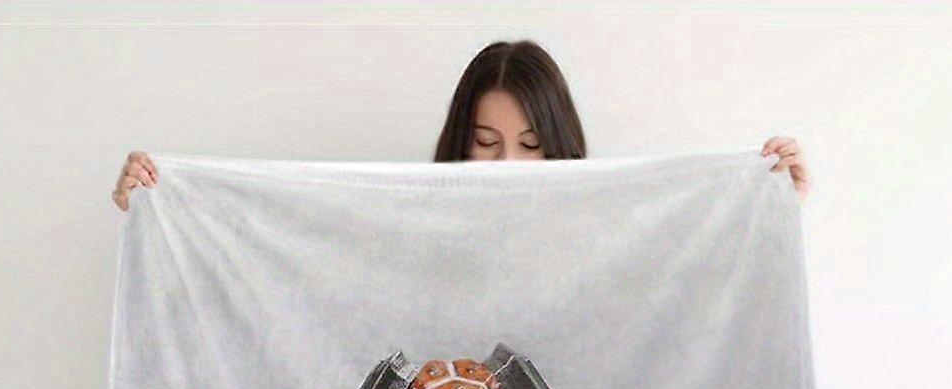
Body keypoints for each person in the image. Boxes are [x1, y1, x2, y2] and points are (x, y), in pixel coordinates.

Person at [111, 40, 809, 209]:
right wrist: (168, 201)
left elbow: (689, 297)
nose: (508, 166)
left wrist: (769, 203)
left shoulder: (609, 222)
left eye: (532, 147)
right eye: (486, 144)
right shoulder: (405, 216)